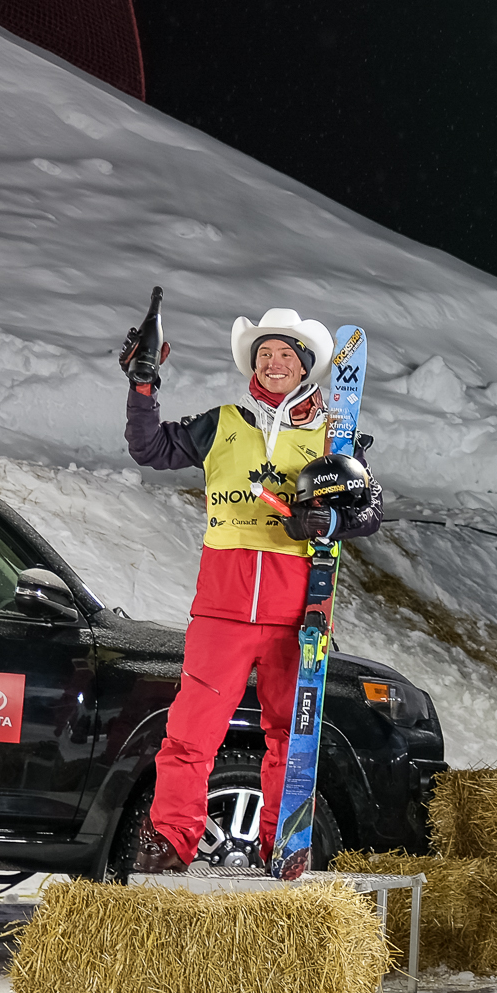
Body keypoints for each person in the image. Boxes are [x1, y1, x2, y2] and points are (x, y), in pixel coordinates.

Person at [119, 307, 382, 873]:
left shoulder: (335, 439)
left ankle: (283, 849)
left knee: (291, 740)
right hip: (222, 611)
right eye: (265, 353)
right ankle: (170, 841)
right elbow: (148, 449)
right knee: (189, 736)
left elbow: (369, 513)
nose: (274, 361)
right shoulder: (222, 424)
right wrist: (143, 384)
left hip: (298, 614)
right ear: (252, 364)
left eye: (286, 354)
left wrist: (326, 525)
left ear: (307, 366)